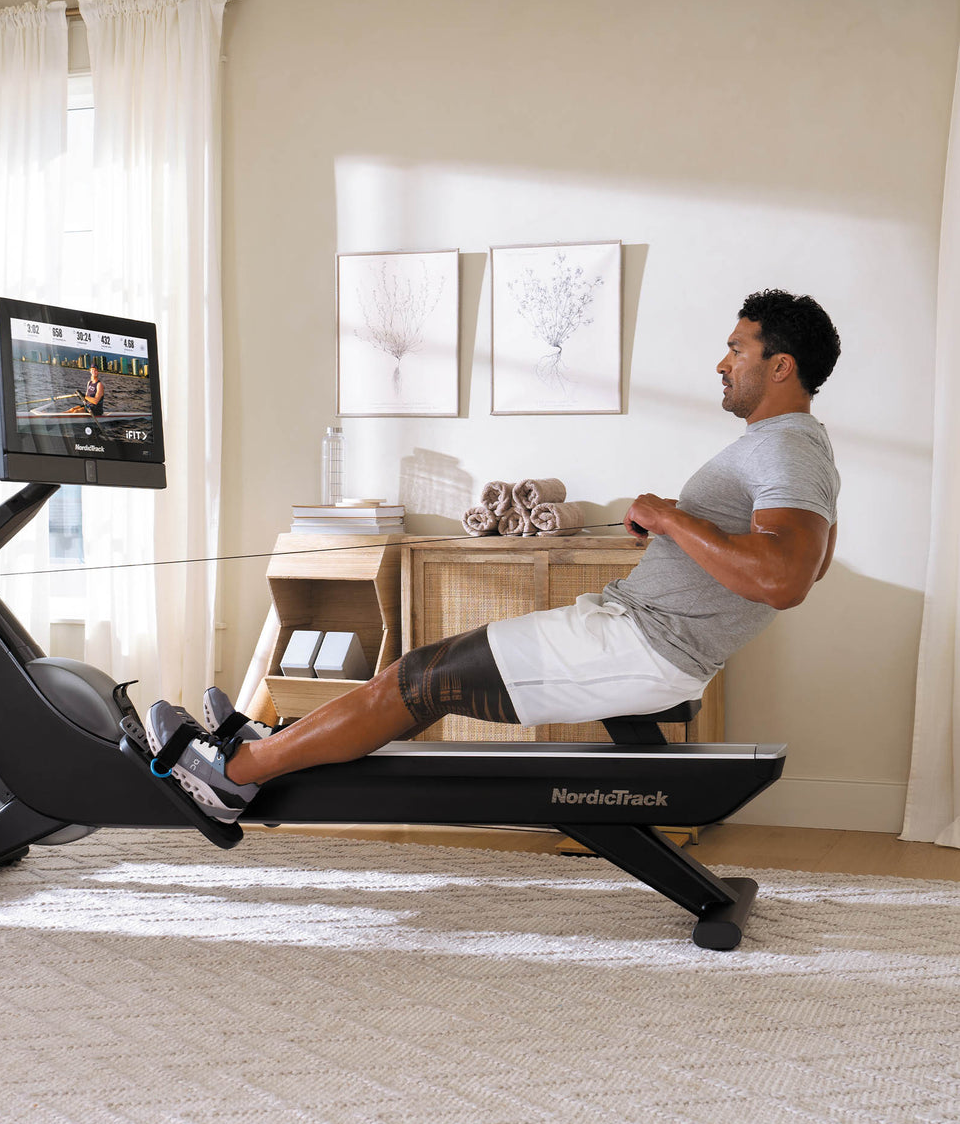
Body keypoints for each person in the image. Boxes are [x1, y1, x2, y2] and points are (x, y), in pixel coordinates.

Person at [148, 289, 842, 822]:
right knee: (418, 676)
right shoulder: (794, 448)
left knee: (418, 682)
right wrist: (677, 533)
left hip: (642, 646)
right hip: (633, 632)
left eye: (737, 350)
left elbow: (785, 579)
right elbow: (813, 560)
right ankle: (266, 743)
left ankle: (234, 775)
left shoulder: (787, 446)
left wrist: (669, 516)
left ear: (780, 366)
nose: (722, 363)